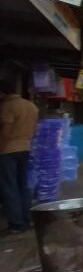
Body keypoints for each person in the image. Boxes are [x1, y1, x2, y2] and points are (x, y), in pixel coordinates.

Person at [0, 81, 39, 235]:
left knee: (9, 187)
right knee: (23, 185)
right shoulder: (30, 105)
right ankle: (27, 219)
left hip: (8, 150)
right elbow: (34, 129)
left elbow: (6, 132)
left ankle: (16, 224)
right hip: (26, 147)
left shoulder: (8, 106)